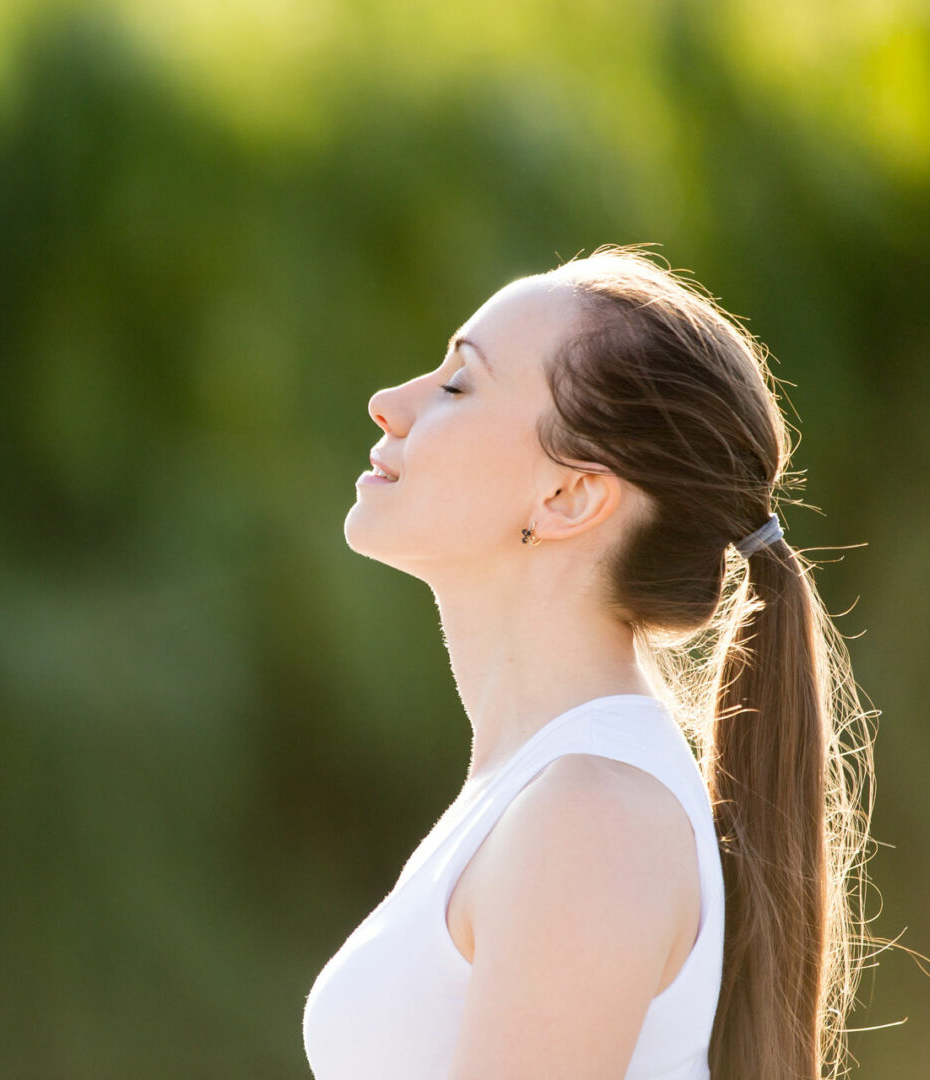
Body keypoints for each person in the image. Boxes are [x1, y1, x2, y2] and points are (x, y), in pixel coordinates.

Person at [302, 246, 877, 1079]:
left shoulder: (591, 815)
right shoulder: (545, 794)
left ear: (570, 497)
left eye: (458, 384)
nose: (390, 404)